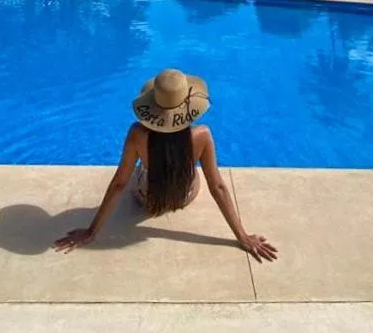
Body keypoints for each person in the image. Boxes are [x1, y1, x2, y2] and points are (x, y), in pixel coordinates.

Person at [53, 68, 278, 263]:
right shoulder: (202, 135)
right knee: (190, 169)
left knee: (142, 168)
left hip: (146, 199)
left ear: (153, 105)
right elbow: (217, 187)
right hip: (183, 196)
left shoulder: (137, 135)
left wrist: (92, 231)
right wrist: (242, 236)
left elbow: (120, 184)